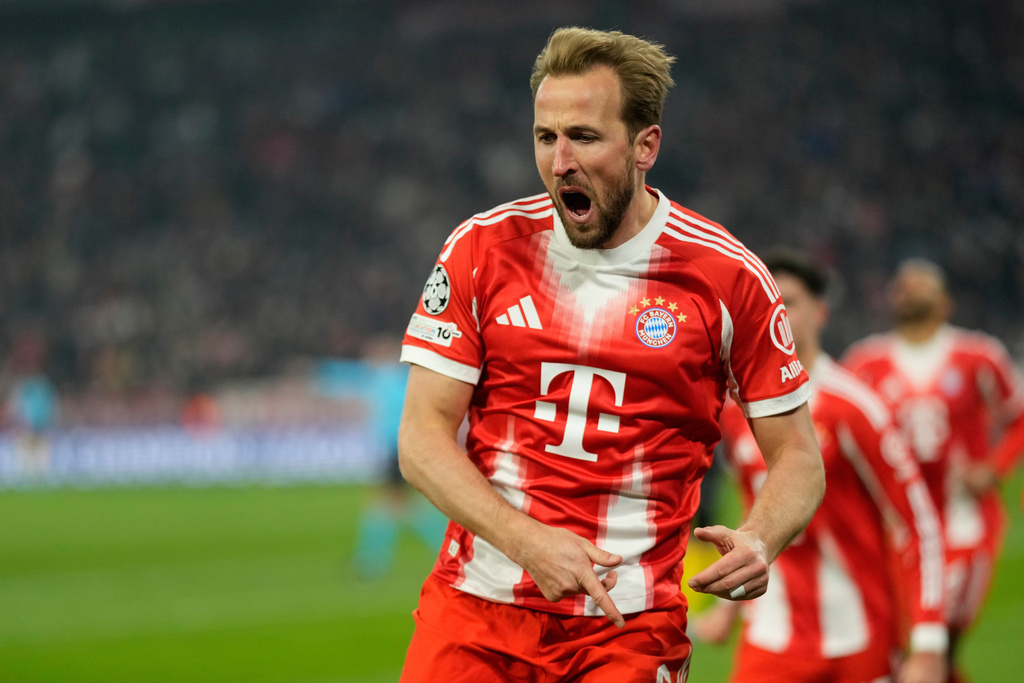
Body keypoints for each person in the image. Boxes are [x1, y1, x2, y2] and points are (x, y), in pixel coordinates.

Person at [396, 27, 825, 682]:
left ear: (646, 144)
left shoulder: (725, 276)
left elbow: (797, 452)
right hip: (475, 612)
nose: (560, 160)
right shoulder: (481, 249)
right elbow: (422, 437)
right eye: (546, 137)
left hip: (629, 625)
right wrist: (526, 540)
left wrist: (761, 536)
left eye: (585, 137)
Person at [692, 249, 947, 683]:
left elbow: (917, 524)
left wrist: (927, 644)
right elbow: (759, 514)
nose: (775, 314)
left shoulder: (855, 408)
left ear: (820, 313)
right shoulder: (737, 414)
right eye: (765, 302)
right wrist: (727, 610)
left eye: (788, 302)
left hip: (856, 635)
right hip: (772, 636)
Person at [842, 258, 1024, 683]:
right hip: (895, 524)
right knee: (917, 646)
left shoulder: (978, 356)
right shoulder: (865, 363)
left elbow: (1017, 417)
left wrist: (993, 469)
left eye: (920, 283)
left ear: (945, 302)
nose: (907, 288)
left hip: (962, 520)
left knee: (936, 638)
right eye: (901, 283)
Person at [317, 335, 447, 580]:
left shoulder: (383, 378)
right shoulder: (403, 378)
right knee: (398, 506)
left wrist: (317, 370)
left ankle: (372, 560)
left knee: (385, 505)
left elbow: (344, 378)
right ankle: (376, 558)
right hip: (402, 447)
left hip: (396, 449)